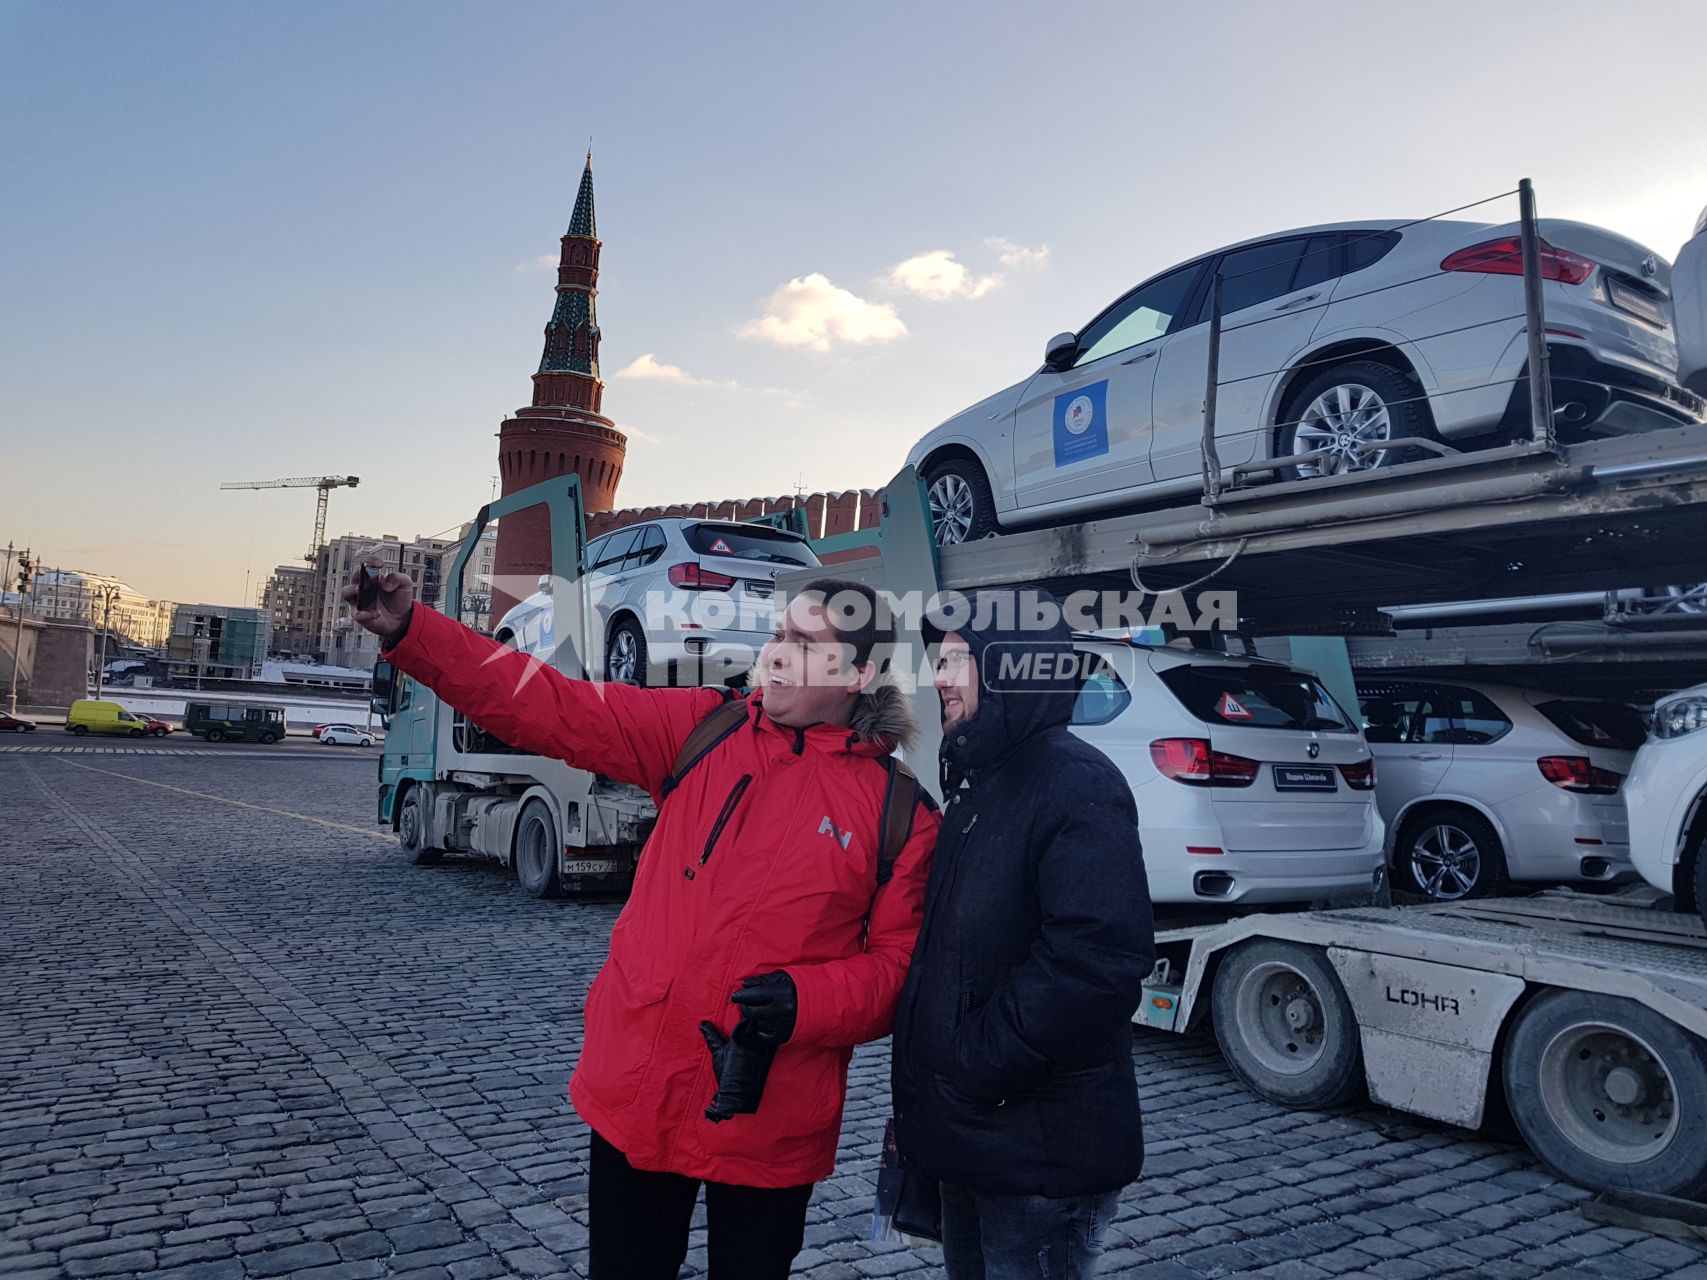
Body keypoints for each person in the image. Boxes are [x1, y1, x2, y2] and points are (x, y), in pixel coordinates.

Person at [345, 567, 938, 1280]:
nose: (778, 654)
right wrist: (414, 631)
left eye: (807, 644)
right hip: (641, 1090)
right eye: (779, 634)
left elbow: (902, 969)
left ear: (861, 673)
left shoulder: (899, 812)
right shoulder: (703, 729)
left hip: (770, 1113)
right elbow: (547, 705)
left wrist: (806, 1002)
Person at [891, 590, 1155, 1280]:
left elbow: (1095, 962)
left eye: (956, 660)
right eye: (937, 660)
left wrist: (973, 1064)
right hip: (974, 1139)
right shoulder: (980, 784)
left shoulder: (1073, 782)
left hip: (1040, 1154)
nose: (938, 677)